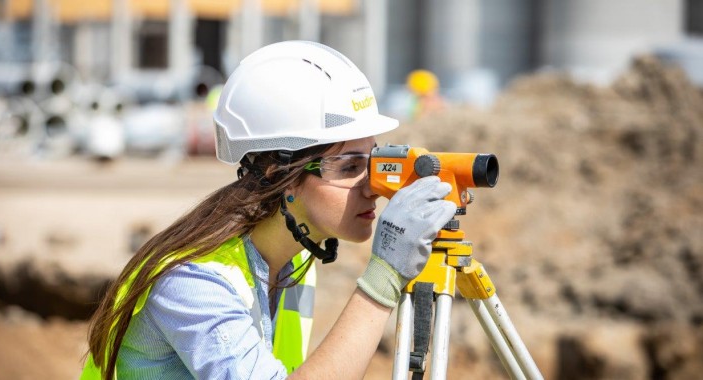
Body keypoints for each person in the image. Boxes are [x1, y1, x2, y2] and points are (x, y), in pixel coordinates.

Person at [81, 40, 456, 380]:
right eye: (349, 166)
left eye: (372, 161)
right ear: (284, 176)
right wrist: (384, 278)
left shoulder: (292, 263)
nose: (373, 187)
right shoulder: (195, 284)